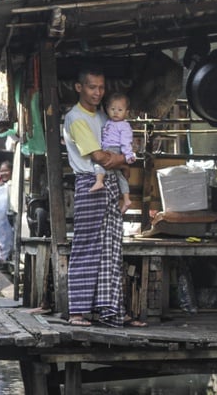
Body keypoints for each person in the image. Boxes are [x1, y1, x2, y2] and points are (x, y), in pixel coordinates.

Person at [61, 66, 146, 328]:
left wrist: (120, 160)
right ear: (79, 88)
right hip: (91, 183)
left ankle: (112, 311)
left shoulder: (102, 115)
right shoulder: (76, 118)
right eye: (92, 87)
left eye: (101, 87)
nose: (98, 92)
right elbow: (100, 158)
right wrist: (124, 159)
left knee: (111, 249)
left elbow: (115, 154)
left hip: (109, 184)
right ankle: (77, 312)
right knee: (86, 247)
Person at [89, 92, 136, 213]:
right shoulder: (109, 122)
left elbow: (126, 141)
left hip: (114, 150)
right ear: (107, 109)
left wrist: (127, 155)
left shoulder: (124, 126)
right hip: (108, 148)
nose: (116, 112)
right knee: (120, 176)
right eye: (112, 109)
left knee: (99, 163)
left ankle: (99, 181)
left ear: (126, 112)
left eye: (120, 110)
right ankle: (126, 200)